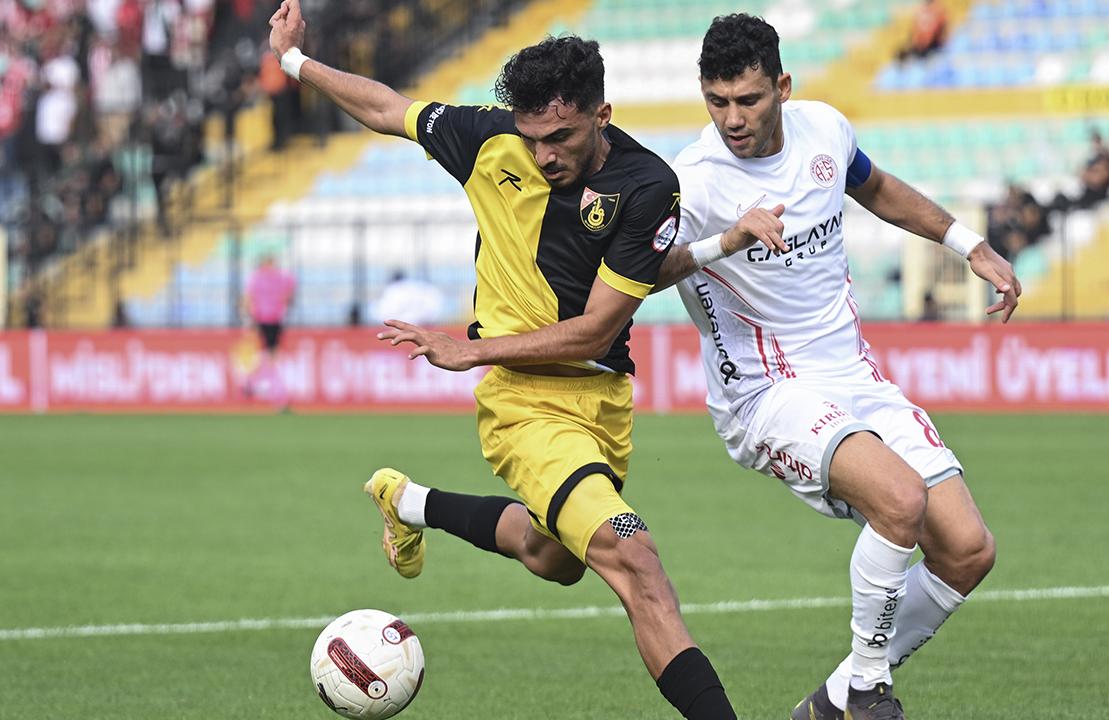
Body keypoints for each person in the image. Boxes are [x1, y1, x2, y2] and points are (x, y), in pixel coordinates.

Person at [267, 2, 746, 717]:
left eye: (560, 137)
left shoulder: (647, 187)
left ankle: (408, 501)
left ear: (602, 115)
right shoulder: (491, 142)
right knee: (634, 559)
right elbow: (389, 108)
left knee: (555, 559)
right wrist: (294, 61)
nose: (543, 155)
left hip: (601, 404)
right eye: (532, 138)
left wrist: (470, 350)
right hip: (524, 405)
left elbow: (595, 330)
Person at [651, 15, 1019, 720]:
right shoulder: (691, 182)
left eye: (748, 99)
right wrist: (725, 241)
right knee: (899, 501)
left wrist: (967, 243)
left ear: (782, 87)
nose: (732, 119)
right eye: (717, 101)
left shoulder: (824, 130)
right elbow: (640, 271)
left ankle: (830, 702)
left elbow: (875, 189)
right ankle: (869, 691)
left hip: (853, 374)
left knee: (968, 550)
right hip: (766, 392)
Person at [242, 253, 295, 408]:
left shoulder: (265, 277)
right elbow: (248, 299)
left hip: (271, 320)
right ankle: (267, 389)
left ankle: (254, 383)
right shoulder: (260, 278)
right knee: (268, 356)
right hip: (264, 320)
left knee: (268, 356)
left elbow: (289, 295)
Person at [372, 268, 446, 328]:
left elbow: (384, 312)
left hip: (399, 325)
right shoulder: (418, 286)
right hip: (421, 324)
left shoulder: (392, 289)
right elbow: (434, 301)